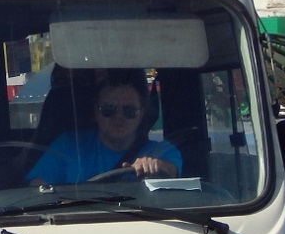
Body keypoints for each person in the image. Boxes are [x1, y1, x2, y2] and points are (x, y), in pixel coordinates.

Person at [27, 75, 182, 185]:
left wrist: (156, 167)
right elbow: (37, 188)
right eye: (109, 110)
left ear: (142, 114)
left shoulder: (161, 151)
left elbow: (171, 170)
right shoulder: (69, 145)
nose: (118, 117)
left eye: (129, 110)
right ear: (95, 112)